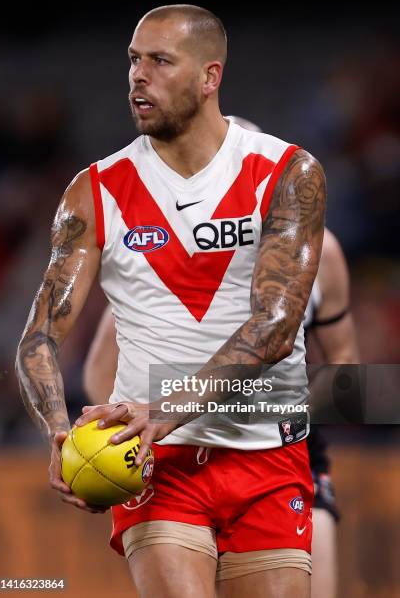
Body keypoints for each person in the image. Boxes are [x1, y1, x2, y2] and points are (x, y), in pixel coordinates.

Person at [15, 5, 326, 598]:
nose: (138, 75)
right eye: (134, 60)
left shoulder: (285, 172)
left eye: (160, 60)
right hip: (154, 464)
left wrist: (163, 408)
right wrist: (57, 430)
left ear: (210, 77)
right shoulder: (94, 192)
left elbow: (278, 324)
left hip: (267, 452)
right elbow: (39, 337)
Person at [83, 214, 359, 598]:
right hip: (179, 461)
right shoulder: (164, 252)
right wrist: (126, 442)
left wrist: (273, 408)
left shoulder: (318, 248)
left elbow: (345, 362)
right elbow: (99, 371)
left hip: (288, 456)